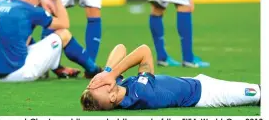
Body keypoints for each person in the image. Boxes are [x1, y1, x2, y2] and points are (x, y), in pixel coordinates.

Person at [0, 0, 101, 82]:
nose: (37, 3)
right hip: (19, 73)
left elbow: (23, 36)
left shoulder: (1, 4)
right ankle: (94, 70)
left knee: (24, 39)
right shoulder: (27, 9)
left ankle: (57, 67)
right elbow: (64, 23)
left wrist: (40, 4)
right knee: (63, 34)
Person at [81, 44, 261, 110]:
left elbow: (120, 47)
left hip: (193, 82)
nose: (98, 83)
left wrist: (106, 71)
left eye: (92, 84)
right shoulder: (139, 94)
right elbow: (144, 51)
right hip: (206, 95)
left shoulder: (120, 88)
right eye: (98, 87)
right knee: (258, 93)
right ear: (112, 97)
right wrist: (111, 74)